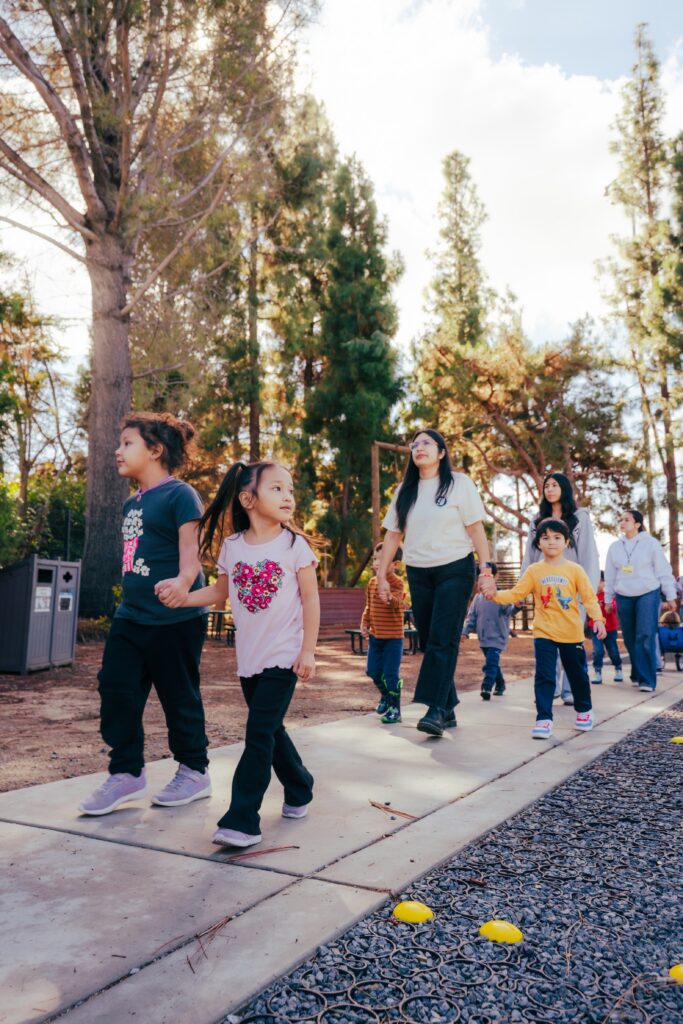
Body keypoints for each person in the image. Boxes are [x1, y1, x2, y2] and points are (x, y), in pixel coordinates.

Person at [157, 460, 319, 849]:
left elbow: (311, 598)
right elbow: (219, 592)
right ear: (248, 499)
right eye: (277, 489)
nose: (288, 497)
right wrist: (183, 599)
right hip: (250, 660)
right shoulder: (232, 547)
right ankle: (300, 786)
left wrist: (308, 651)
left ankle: (242, 819)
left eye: (290, 490)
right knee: (271, 730)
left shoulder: (295, 545)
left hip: (284, 655)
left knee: (258, 734)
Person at [79, 412, 211, 816]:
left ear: (155, 450)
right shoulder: (131, 502)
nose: (117, 451)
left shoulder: (180, 495)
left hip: (177, 617)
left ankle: (194, 770)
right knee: (115, 687)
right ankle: (127, 773)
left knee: (178, 694)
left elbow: (192, 555)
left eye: (127, 443)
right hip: (132, 615)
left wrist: (183, 584)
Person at [376, 428, 493, 738]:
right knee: (430, 641)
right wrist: (381, 575)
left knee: (443, 639)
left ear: (442, 452)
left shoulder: (459, 484)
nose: (419, 448)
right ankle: (449, 703)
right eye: (415, 444)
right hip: (419, 571)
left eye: (427, 443)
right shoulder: (405, 490)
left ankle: (435, 710)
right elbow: (392, 535)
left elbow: (476, 530)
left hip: (455, 568)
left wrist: (486, 570)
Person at [480, 518, 606, 740]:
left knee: (577, 675)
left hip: (571, 633)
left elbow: (589, 597)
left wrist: (597, 619)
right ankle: (544, 719)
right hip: (544, 633)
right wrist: (495, 595)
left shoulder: (575, 570)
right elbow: (517, 594)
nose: (551, 542)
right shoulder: (534, 571)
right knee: (545, 676)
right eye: (545, 538)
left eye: (557, 538)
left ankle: (584, 711)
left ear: (567, 542)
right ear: (538, 543)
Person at [521, 472, 599, 705]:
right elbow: (530, 555)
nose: (550, 489)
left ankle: (570, 690)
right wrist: (523, 588)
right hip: (545, 589)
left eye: (555, 485)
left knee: (572, 643)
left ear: (564, 488)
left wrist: (588, 592)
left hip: (574, 589)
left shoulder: (580, 517)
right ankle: (550, 687)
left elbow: (588, 554)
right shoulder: (538, 519)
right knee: (546, 640)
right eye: (547, 485)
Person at [604, 509, 677, 693]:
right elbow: (611, 576)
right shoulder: (615, 547)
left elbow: (663, 570)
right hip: (623, 596)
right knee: (629, 638)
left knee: (645, 634)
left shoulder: (650, 543)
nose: (622, 523)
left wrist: (670, 595)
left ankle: (647, 679)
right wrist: (607, 598)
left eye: (626, 520)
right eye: (620, 520)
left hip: (648, 593)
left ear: (637, 524)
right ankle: (638, 672)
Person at [360, 542, 405, 724]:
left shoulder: (397, 583)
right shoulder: (372, 583)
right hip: (376, 637)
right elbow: (369, 606)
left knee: (390, 675)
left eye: (382, 560)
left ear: (395, 564)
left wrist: (389, 597)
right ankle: (386, 696)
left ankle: (395, 708)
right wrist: (365, 622)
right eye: (376, 559)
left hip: (393, 639)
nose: (377, 563)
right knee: (372, 671)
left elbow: (397, 604)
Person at [461, 568, 516, 700]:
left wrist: (518, 606)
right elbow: (471, 617)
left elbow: (510, 611)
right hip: (484, 637)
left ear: (495, 577)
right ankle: (500, 683)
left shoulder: (502, 595)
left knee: (491, 663)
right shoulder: (478, 598)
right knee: (493, 663)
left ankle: (486, 687)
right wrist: (465, 632)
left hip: (498, 637)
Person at [588, 572, 624, 684]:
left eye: (600, 582)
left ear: (605, 582)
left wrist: (610, 608)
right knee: (598, 651)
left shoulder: (608, 595)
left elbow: (612, 606)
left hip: (610, 628)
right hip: (595, 628)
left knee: (612, 650)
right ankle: (597, 672)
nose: (598, 585)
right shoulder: (591, 595)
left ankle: (618, 668)